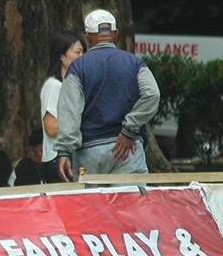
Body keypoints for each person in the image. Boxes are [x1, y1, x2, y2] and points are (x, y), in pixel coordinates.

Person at [56, 9, 160, 181]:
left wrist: (64, 151)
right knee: (130, 206)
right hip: (129, 151)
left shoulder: (77, 68)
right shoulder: (135, 63)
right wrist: (129, 130)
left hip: (89, 152)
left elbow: (70, 111)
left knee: (91, 207)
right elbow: (152, 95)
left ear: (88, 37)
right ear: (116, 34)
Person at [40, 31, 86, 183]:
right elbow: (51, 127)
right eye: (77, 52)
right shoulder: (54, 86)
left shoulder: (72, 86)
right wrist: (80, 120)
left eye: (83, 52)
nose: (81, 57)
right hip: (57, 159)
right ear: (61, 56)